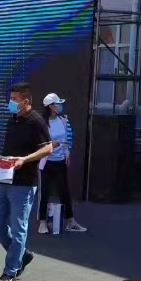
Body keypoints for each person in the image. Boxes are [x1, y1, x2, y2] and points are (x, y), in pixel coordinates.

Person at [0, 84, 53, 281]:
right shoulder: (12, 119)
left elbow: (48, 149)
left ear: (26, 101)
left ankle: (11, 271)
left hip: (24, 182)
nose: (11, 102)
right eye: (11, 98)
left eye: (15, 99)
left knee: (18, 228)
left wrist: (25, 159)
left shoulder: (36, 121)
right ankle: (22, 255)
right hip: (5, 178)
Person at [38, 92, 85, 233]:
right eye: (57, 104)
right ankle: (42, 223)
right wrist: (51, 145)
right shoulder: (41, 123)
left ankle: (70, 221)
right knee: (44, 193)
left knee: (64, 192)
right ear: (50, 106)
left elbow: (66, 139)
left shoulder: (63, 120)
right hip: (46, 163)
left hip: (60, 162)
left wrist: (67, 155)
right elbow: (39, 143)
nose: (59, 106)